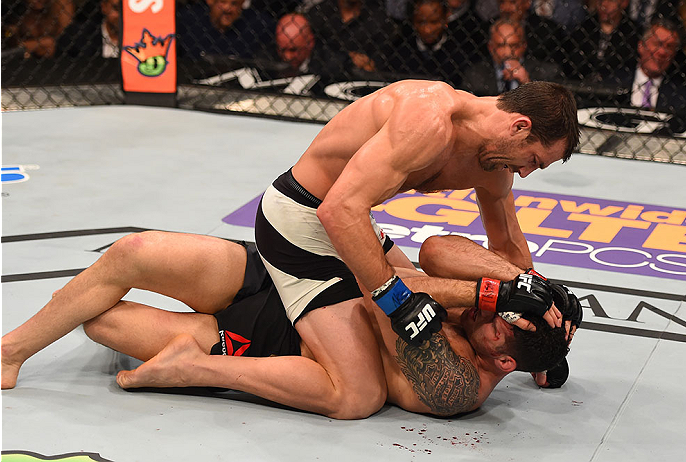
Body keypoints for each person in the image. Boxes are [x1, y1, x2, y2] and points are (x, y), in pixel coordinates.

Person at [253, 78, 579, 417]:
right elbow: (336, 210)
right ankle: (204, 363)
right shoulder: (429, 119)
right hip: (299, 218)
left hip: (355, 222)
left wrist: (544, 323)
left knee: (425, 292)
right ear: (519, 126)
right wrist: (396, 302)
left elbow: (507, 250)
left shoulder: (494, 162)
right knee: (357, 396)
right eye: (534, 160)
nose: (525, 173)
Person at [1, 231, 572, 418]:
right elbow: (438, 249)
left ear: (504, 364)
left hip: (270, 341)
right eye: (492, 310)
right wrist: (518, 280)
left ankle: (196, 367)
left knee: (101, 323)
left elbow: (388, 295)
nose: (483, 312)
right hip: (289, 279)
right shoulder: (486, 315)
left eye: (498, 327)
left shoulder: (455, 385)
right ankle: (10, 352)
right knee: (131, 253)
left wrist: (495, 295)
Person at [379, 0, 469, 87]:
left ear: (445, 19)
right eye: (421, 22)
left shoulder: (460, 54)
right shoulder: (399, 53)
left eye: (434, 22)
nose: (427, 30)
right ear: (413, 21)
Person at [461, 19, 562, 95]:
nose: (507, 52)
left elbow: (551, 112)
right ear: (490, 47)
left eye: (513, 45)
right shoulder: (474, 74)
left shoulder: (547, 72)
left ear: (523, 46)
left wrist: (527, 83)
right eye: (500, 45)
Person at [304, 0, 397, 77]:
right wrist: (348, 57)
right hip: (319, 77)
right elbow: (315, 52)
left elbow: (377, 61)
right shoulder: (319, 12)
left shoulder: (379, 18)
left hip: (359, 82)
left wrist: (369, 63)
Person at [565, 0, 640, 83]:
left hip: (617, 87)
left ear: (624, 3)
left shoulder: (633, 33)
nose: (604, 5)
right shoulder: (583, 28)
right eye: (600, 0)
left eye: (611, 1)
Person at [177, 0, 275, 60]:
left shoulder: (258, 25)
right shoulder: (188, 21)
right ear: (211, 1)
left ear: (242, 4)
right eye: (223, 2)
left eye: (234, 4)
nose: (228, 9)